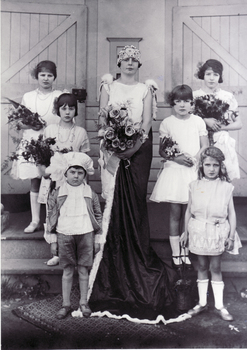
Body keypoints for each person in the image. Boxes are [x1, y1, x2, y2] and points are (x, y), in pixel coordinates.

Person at [88, 45, 177, 322]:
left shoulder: (145, 90)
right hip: (112, 149)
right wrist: (112, 145)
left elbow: (148, 122)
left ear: (139, 64)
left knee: (134, 202)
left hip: (138, 149)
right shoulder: (108, 86)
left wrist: (132, 146)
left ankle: (136, 253)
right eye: (125, 59)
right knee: (112, 201)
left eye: (134, 60)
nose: (129, 63)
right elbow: (102, 119)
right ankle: (113, 259)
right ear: (118, 62)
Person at [150, 85, 208, 271]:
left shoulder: (198, 121)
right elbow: (162, 149)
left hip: (192, 169)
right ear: (172, 104)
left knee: (190, 213)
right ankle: (176, 253)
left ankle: (186, 250)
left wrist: (194, 158)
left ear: (192, 103)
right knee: (175, 212)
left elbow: (205, 146)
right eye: (178, 101)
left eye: (186, 101)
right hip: (175, 170)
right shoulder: (167, 122)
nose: (182, 105)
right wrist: (178, 158)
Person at [181, 146, 242, 321]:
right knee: (201, 266)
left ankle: (219, 305)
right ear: (201, 166)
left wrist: (231, 235)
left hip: (217, 231)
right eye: (208, 165)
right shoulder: (194, 185)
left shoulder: (226, 187)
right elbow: (188, 211)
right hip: (199, 230)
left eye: (215, 165)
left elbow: (231, 213)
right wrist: (185, 232)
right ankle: (201, 303)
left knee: (215, 267)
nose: (211, 169)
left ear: (220, 167)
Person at [45, 152, 102, 319]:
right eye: (72, 172)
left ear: (85, 175)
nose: (76, 176)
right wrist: (53, 240)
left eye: (80, 173)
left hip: (85, 234)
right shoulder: (57, 192)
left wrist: (97, 238)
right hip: (64, 233)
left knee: (84, 270)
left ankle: (84, 302)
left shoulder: (90, 193)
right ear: (66, 173)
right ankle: (66, 304)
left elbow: (98, 215)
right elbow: (51, 216)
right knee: (68, 270)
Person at [10, 60, 63, 233]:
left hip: (53, 141)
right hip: (33, 143)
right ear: (37, 76)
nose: (46, 78)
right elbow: (19, 123)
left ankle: (52, 221)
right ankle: (35, 220)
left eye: (49, 75)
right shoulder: (29, 97)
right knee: (35, 180)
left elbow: (67, 119)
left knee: (54, 181)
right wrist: (32, 125)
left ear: (54, 77)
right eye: (43, 75)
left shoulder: (59, 96)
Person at [41, 93, 90, 266]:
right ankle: (56, 252)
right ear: (57, 110)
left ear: (76, 110)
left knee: (72, 214)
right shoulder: (50, 131)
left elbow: (84, 161)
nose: (67, 112)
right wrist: (45, 172)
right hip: (54, 180)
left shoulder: (81, 132)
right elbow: (43, 158)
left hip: (74, 182)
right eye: (63, 108)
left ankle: (73, 251)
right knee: (54, 214)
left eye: (71, 108)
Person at [193, 59, 242, 180]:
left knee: (222, 176)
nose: (211, 78)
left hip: (221, 140)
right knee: (199, 177)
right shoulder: (194, 95)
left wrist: (220, 126)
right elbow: (188, 119)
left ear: (219, 77)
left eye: (215, 74)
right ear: (203, 75)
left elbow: (238, 124)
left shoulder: (227, 96)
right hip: (200, 140)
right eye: (208, 74)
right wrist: (205, 121)